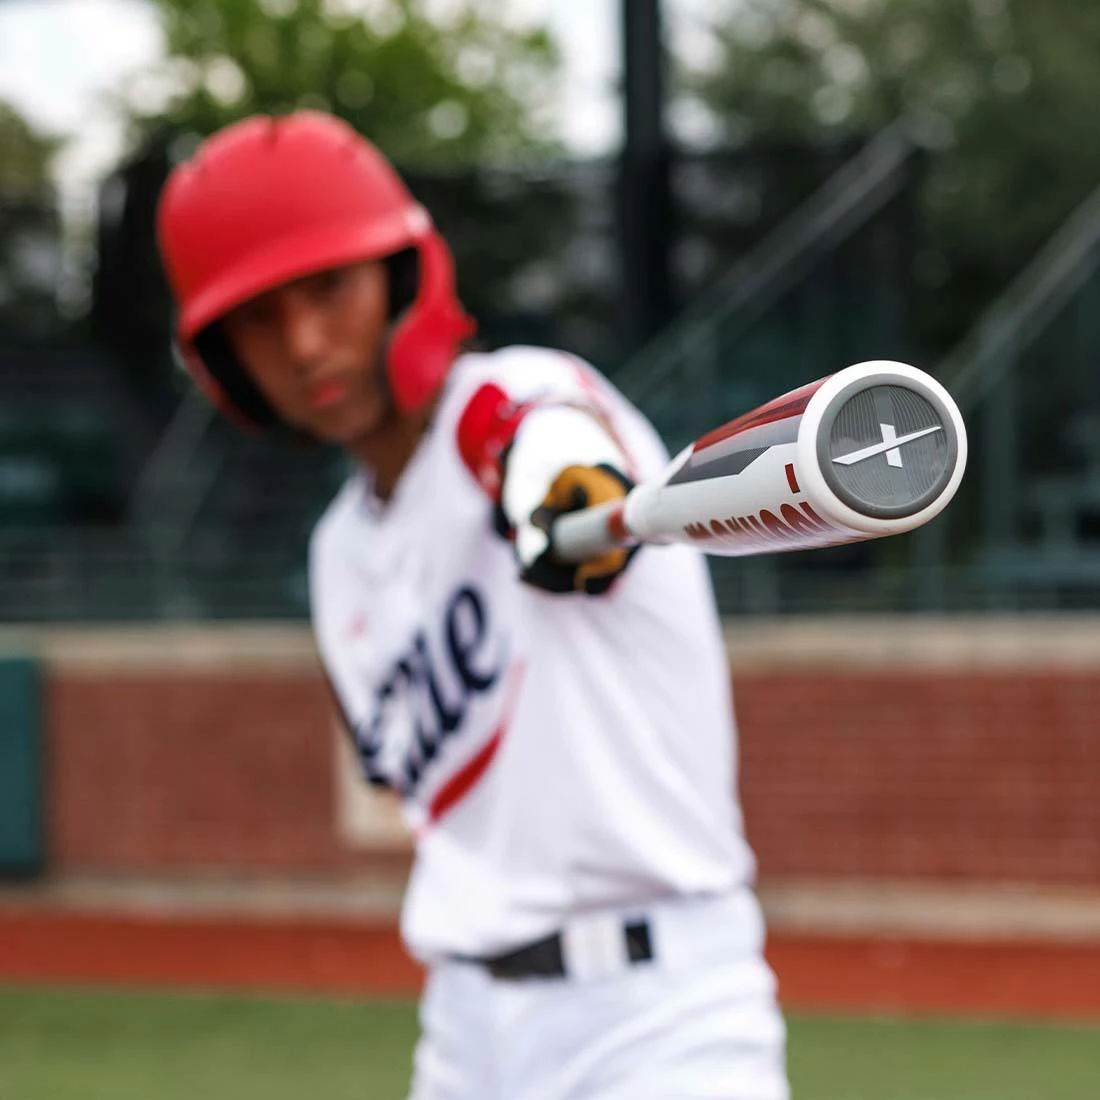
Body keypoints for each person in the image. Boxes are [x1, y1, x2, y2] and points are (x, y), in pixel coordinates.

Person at [156, 109, 789, 1100]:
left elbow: (537, 433)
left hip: (657, 1015)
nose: (306, 343)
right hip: (463, 1031)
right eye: (259, 320)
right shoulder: (337, 555)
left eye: (328, 289)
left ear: (401, 277)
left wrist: (561, 487)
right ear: (224, 360)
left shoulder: (521, 396)